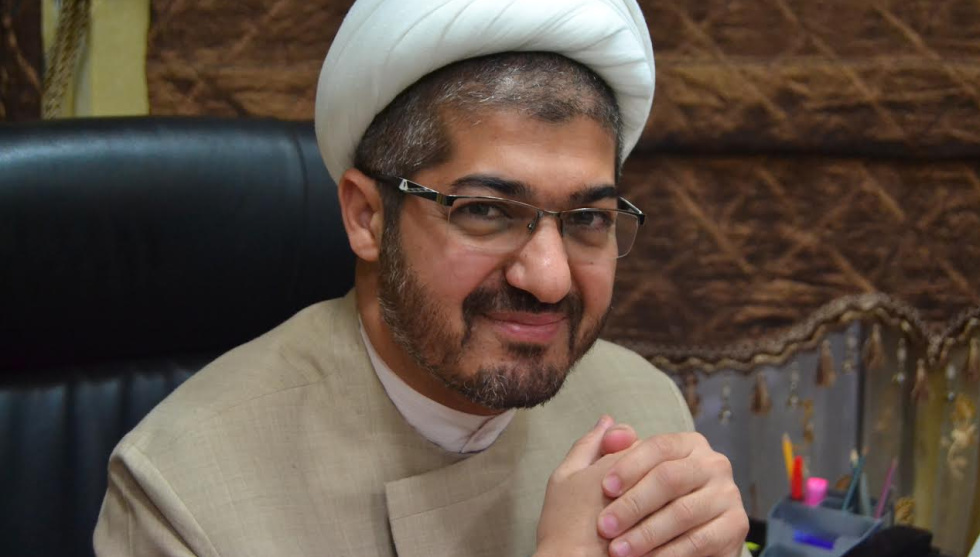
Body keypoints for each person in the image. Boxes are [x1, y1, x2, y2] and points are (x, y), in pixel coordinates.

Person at [94, 1, 749, 556]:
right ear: (367, 216)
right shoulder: (184, 494)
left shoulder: (642, 408)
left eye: (587, 219)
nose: (550, 280)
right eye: (486, 211)